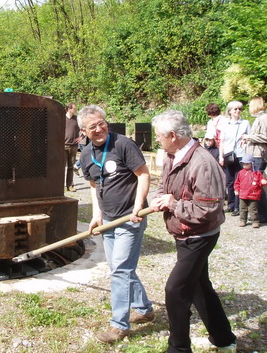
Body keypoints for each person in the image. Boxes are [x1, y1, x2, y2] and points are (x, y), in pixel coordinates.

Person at [150, 110, 237, 353]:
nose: (157, 139)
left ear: (173, 135)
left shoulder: (203, 163)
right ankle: (224, 339)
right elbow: (163, 184)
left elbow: (207, 209)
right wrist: (159, 199)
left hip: (199, 236)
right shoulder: (172, 155)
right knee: (199, 285)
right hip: (183, 232)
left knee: (175, 291)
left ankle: (178, 349)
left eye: (159, 136)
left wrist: (173, 204)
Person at [77, 105, 153, 344]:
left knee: (120, 270)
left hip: (130, 219)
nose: (99, 129)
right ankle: (144, 308)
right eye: (93, 127)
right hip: (108, 220)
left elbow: (143, 174)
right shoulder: (86, 153)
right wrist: (96, 215)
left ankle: (119, 324)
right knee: (122, 268)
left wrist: (138, 205)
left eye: (102, 123)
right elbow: (93, 185)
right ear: (83, 131)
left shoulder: (123, 144)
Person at [219, 101, 250, 216]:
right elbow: (222, 141)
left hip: (240, 154)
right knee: (229, 181)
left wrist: (245, 139)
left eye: (239, 109)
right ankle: (231, 204)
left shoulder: (245, 123)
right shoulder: (225, 124)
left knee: (239, 181)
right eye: (235, 109)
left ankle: (238, 206)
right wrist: (221, 156)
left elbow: (249, 137)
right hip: (228, 155)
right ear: (230, 111)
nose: (237, 111)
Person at [241, 96, 267, 222]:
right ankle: (258, 214)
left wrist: (249, 137)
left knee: (258, 185)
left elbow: (265, 137)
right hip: (254, 155)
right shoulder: (258, 119)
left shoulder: (263, 119)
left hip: (258, 156)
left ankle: (262, 215)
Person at [234, 154, 267, 228]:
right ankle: (242, 220)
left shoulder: (256, 172)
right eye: (243, 164)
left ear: (252, 164)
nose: (245, 165)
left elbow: (260, 180)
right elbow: (237, 182)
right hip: (243, 195)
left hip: (253, 195)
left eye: (247, 164)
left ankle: (255, 221)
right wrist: (236, 189)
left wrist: (262, 181)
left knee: (253, 209)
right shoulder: (241, 173)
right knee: (242, 208)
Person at [64, 102, 80, 192]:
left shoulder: (77, 119)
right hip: (62, 146)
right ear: (69, 109)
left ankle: (70, 185)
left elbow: (84, 129)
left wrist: (81, 137)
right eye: (74, 108)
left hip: (73, 147)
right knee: (60, 167)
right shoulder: (62, 118)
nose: (76, 109)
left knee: (71, 167)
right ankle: (58, 186)